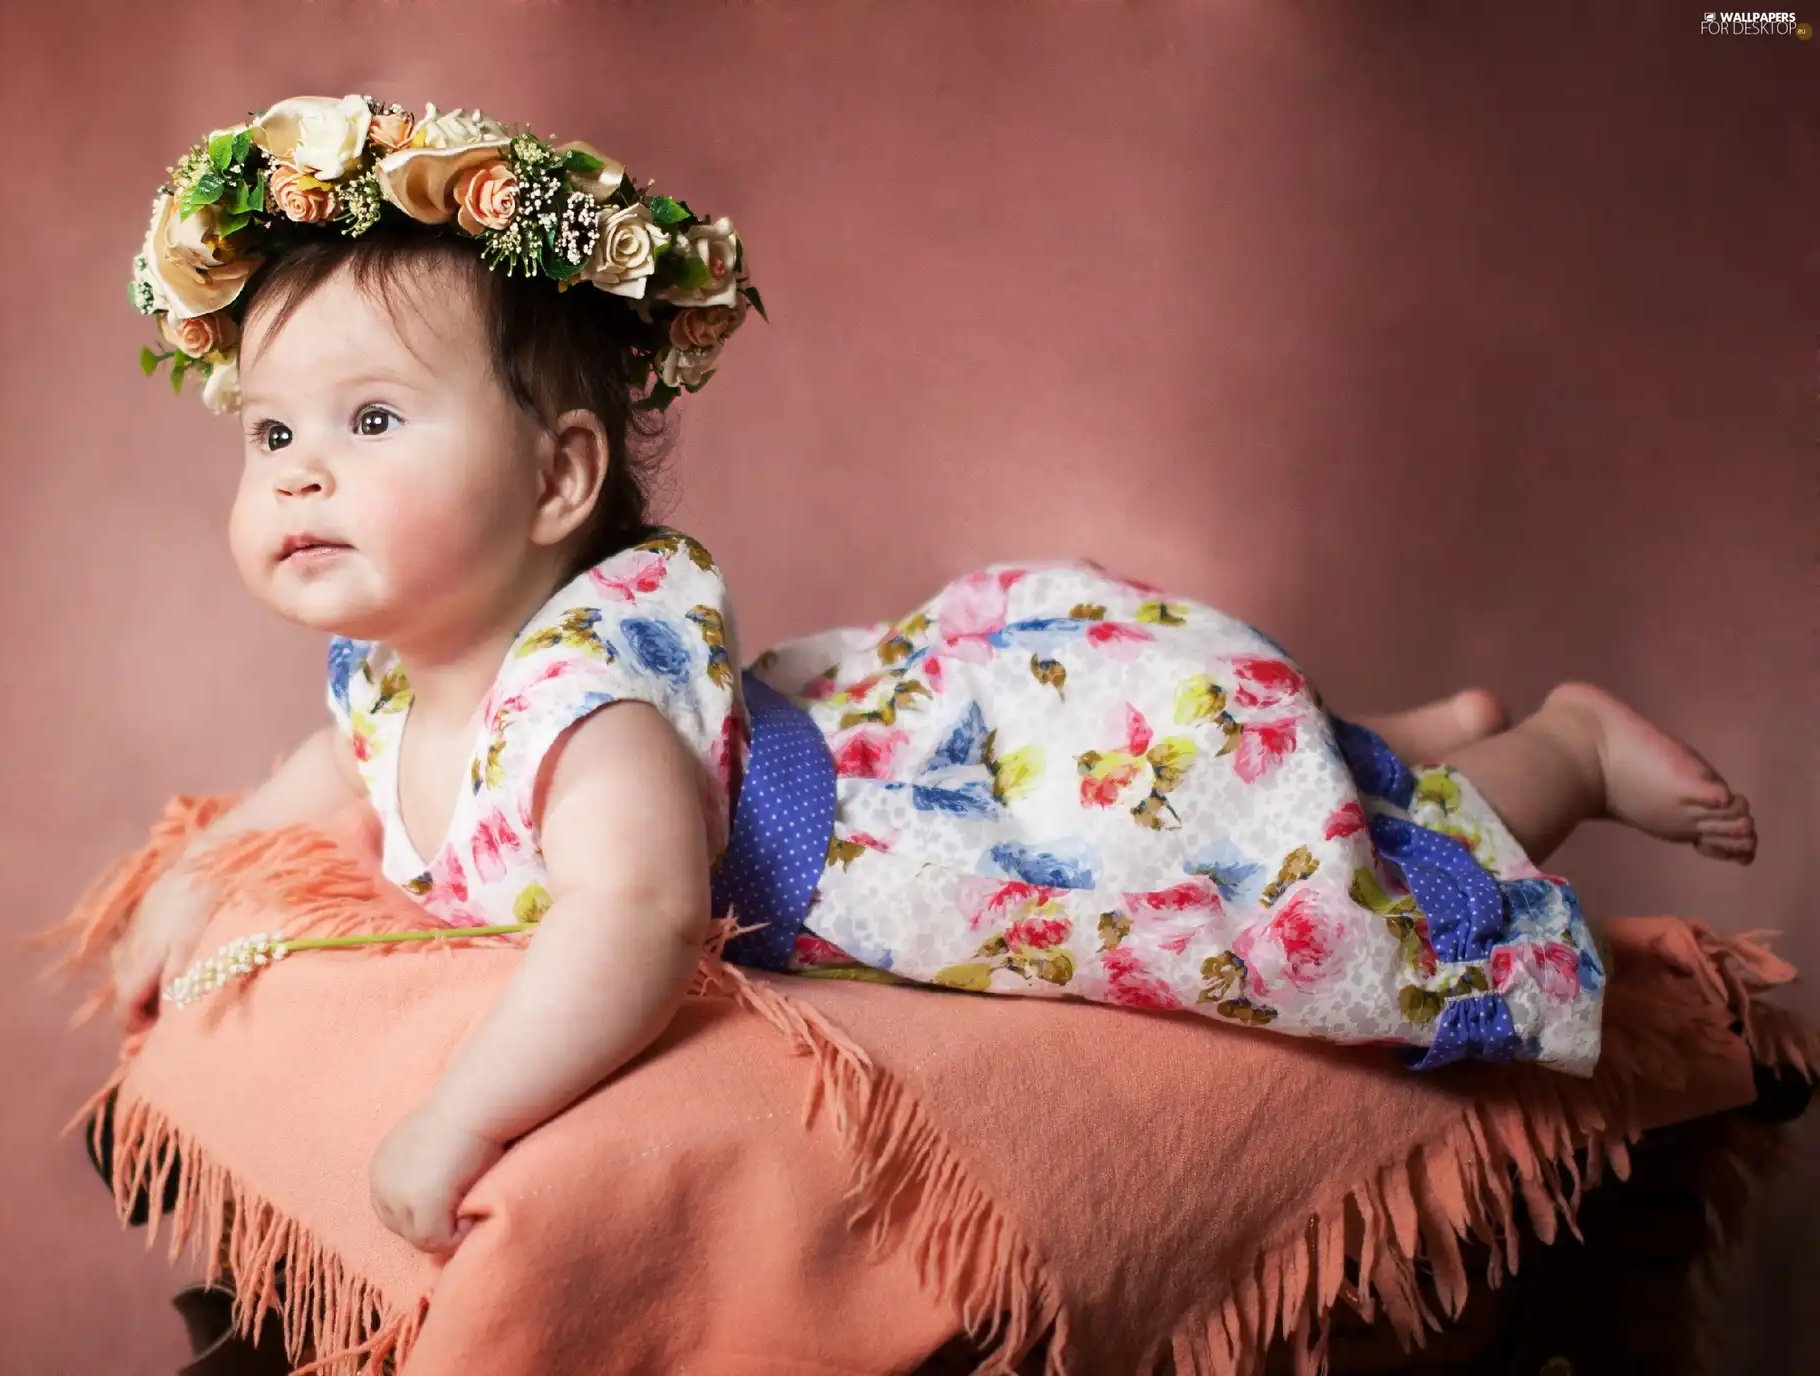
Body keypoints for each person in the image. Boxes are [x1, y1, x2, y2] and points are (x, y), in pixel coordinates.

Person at [109, 95, 1757, 1256]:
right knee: (1274, 761)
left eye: (371, 420)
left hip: (934, 831)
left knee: (1311, 882)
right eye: (271, 433)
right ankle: (1395, 729)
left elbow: (637, 919)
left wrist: (457, 1119)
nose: (302, 472)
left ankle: (1551, 754)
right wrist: (199, 877)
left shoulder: (583, 709)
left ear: (557, 482)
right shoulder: (395, 674)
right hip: (880, 716)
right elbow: (331, 773)